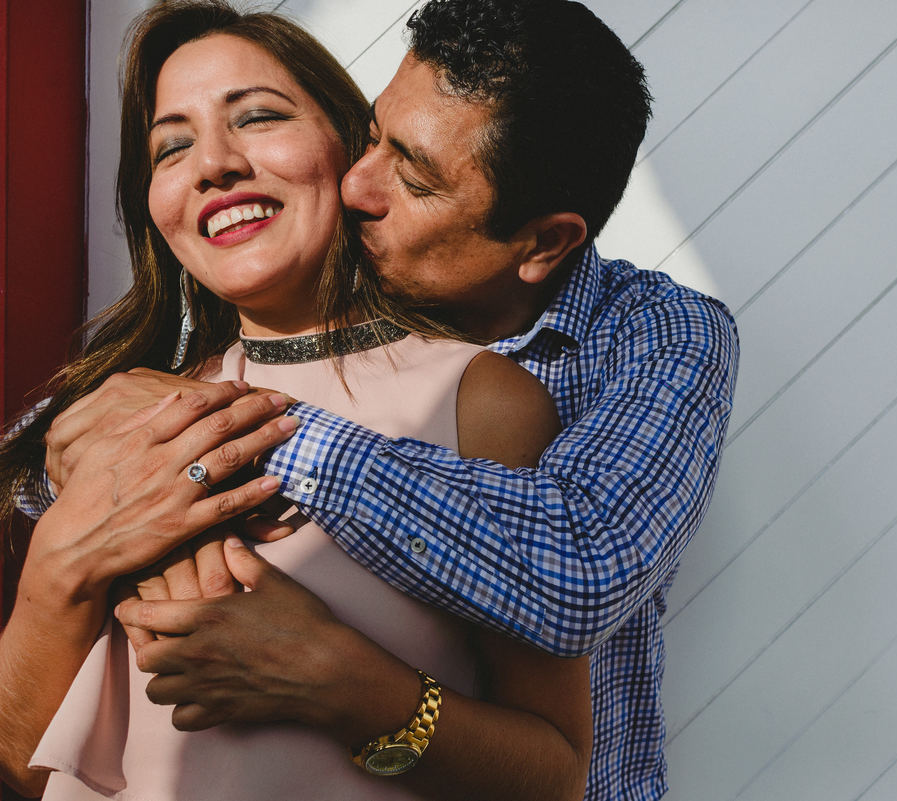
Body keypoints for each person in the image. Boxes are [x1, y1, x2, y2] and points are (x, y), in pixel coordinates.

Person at [25, 1, 740, 798]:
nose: (358, 185)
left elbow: (577, 571)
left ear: (542, 243)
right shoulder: (153, 395)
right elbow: (51, 749)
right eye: (372, 136)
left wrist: (239, 441)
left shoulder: (638, 341)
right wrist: (63, 550)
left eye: (414, 174)